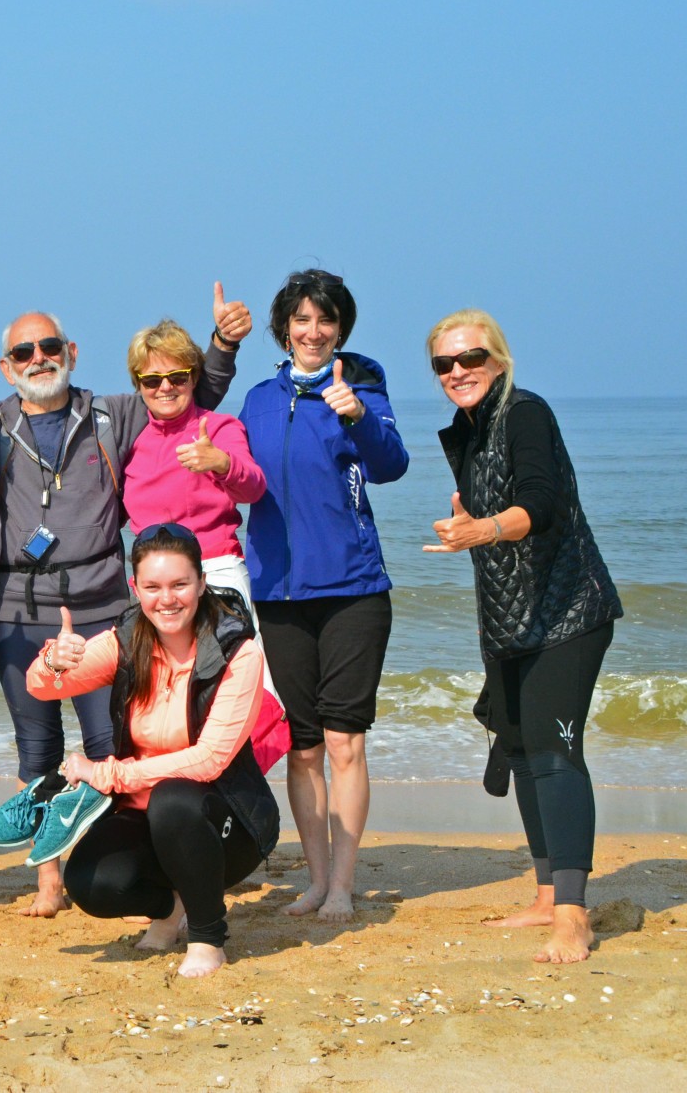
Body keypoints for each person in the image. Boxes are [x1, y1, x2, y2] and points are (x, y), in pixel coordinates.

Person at [0, 287, 251, 917]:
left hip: (102, 605)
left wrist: (223, 345)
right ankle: (48, 883)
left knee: (109, 745)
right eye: (24, 351)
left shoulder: (112, 414)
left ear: (70, 352)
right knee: (37, 751)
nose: (39, 357)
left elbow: (182, 396)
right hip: (18, 608)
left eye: (49, 347)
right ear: (7, 367)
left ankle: (114, 863)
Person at [424, 310, 620, 964]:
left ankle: (573, 916)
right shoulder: (469, 432)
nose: (458, 371)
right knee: (526, 742)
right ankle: (545, 894)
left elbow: (543, 501)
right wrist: (471, 528)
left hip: (570, 610)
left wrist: (485, 529)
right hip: (514, 619)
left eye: (470, 357)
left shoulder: (526, 413)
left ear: (499, 360)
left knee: (556, 749)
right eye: (444, 364)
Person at [25, 525, 279, 978]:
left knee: (174, 797)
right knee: (91, 884)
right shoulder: (126, 641)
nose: (168, 599)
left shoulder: (237, 652)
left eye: (180, 584)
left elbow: (210, 759)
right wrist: (52, 660)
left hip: (227, 825)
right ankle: (171, 907)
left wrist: (112, 774)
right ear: (135, 588)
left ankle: (207, 936)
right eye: (153, 587)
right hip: (146, 818)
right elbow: (40, 688)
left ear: (201, 583)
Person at [238, 269, 408, 922]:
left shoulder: (361, 387)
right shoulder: (257, 399)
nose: (314, 331)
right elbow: (240, 475)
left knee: (345, 743)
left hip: (354, 590)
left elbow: (391, 464)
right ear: (285, 327)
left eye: (326, 320)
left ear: (341, 328)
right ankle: (313, 878)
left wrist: (359, 417)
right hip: (278, 593)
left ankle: (342, 882)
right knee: (303, 746)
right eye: (303, 319)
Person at [121, 319, 266, 603]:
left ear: (194, 378)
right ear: (138, 385)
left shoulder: (218, 427)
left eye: (177, 377)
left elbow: (254, 488)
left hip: (213, 572)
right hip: (152, 580)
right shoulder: (131, 439)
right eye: (152, 380)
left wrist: (222, 463)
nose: (165, 388)